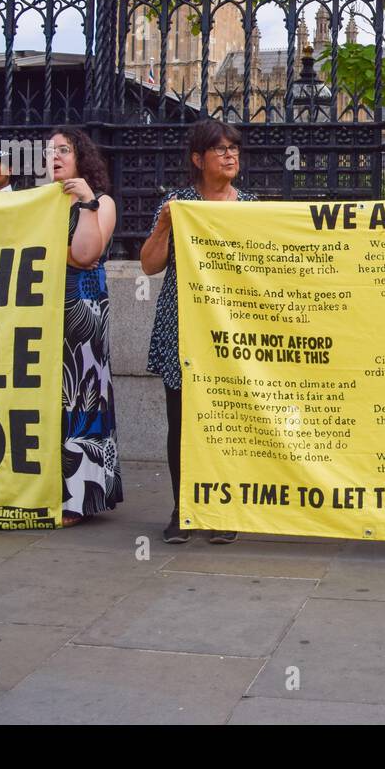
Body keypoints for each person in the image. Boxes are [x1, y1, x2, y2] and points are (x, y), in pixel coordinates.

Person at [140, 118, 257, 544]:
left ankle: (225, 507)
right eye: (220, 148)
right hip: (183, 324)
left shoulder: (251, 207)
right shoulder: (179, 204)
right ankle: (183, 508)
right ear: (197, 158)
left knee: (230, 419)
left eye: (235, 148)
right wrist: (164, 226)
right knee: (183, 420)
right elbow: (149, 265)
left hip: (231, 327)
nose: (230, 155)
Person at [49, 127, 124, 524]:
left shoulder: (101, 202)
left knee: (81, 395)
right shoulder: (42, 202)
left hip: (83, 311)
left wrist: (87, 203)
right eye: (49, 151)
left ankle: (78, 498)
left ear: (82, 159)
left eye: (64, 150)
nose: (55, 156)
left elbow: (85, 254)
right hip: (42, 308)